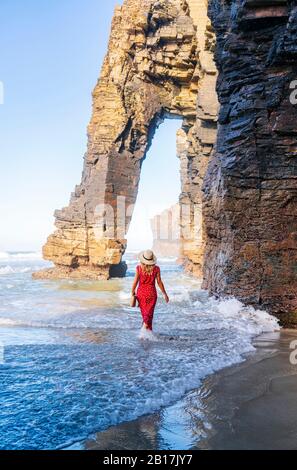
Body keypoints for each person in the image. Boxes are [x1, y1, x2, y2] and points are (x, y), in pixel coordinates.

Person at [131, 249, 169, 332]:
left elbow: (135, 281)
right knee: (149, 315)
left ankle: (145, 334)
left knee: (145, 314)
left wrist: (132, 291)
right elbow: (159, 282)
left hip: (141, 294)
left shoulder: (139, 268)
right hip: (152, 294)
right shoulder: (156, 269)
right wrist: (164, 293)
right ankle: (145, 332)